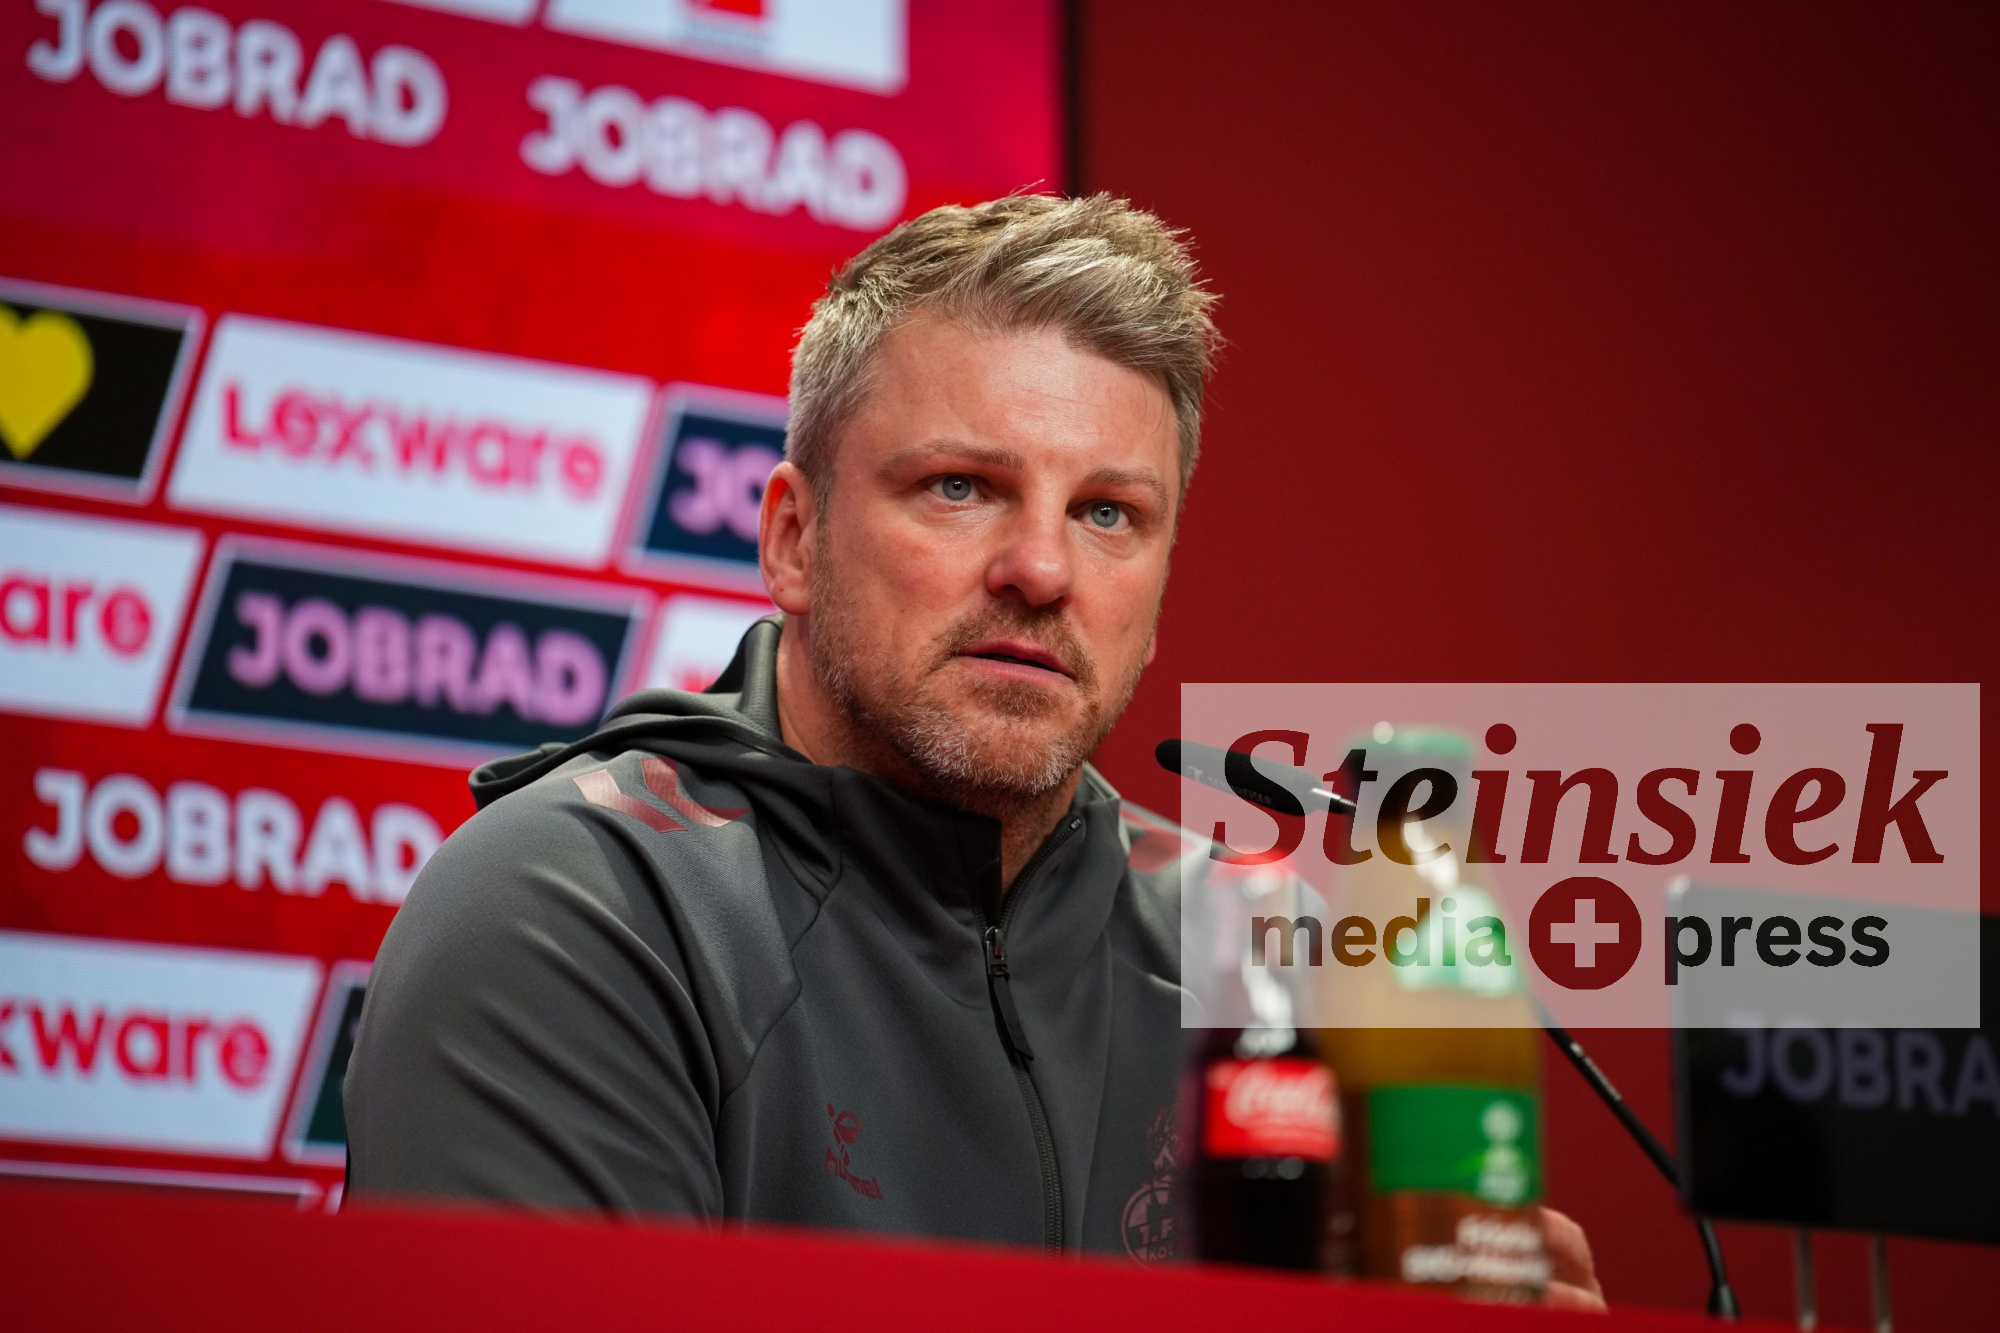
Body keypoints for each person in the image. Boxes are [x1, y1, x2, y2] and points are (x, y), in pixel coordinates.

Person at [343, 193, 1604, 1308]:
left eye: (1106, 512)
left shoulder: (1263, 961)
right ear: (792, 540)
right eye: (958, 486)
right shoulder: (579, 908)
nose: (1041, 569)